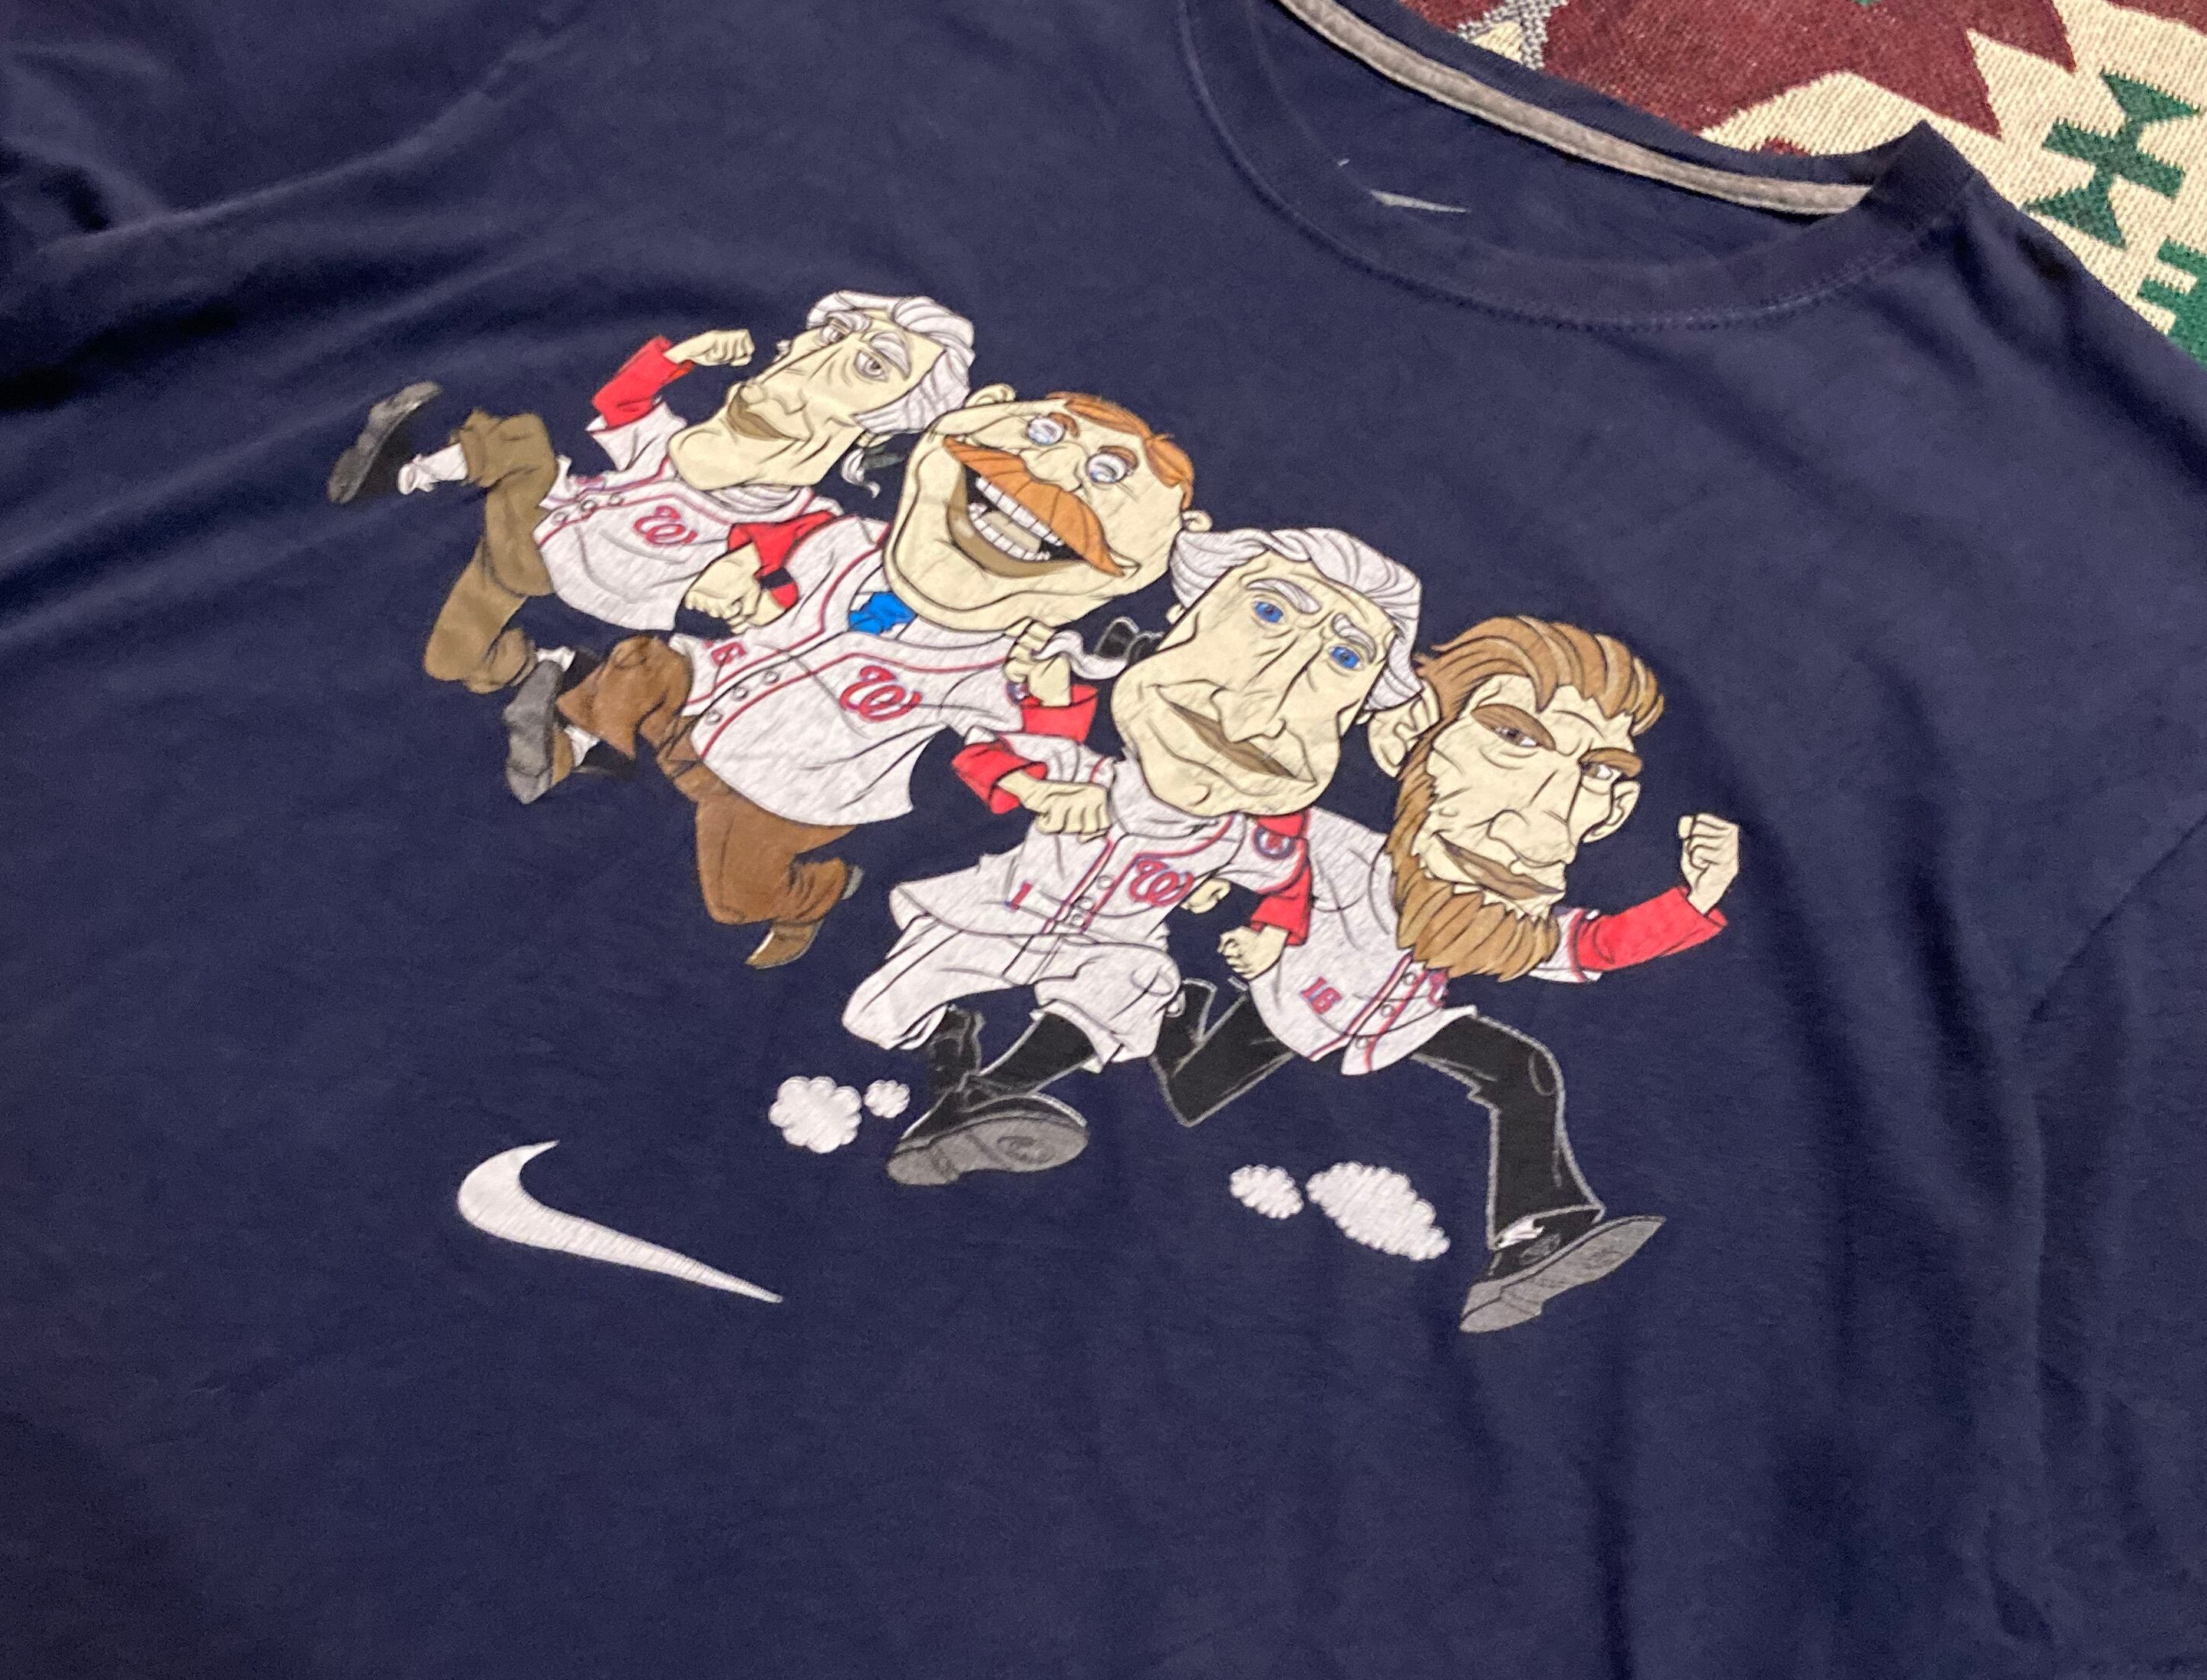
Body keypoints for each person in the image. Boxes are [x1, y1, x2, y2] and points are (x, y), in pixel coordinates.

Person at [1154, 614, 1740, 1328]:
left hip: (1401, 1024)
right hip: (1290, 1004)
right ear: (1409, 737)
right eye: (1514, 738)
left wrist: (1696, 898)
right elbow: (1253, 822)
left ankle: (1533, 1232)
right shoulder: (1343, 853)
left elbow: (1598, 945)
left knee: (1522, 1072)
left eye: (1599, 773)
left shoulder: (1499, 915)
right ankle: (1176, 1020)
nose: (1544, 815)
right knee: (1190, 1095)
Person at [550, 384, 1207, 967]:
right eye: (1043, 434)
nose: (1052, 474)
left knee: (736, 900)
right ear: (980, 411)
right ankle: (575, 741)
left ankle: (820, 892)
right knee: (639, 662)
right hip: (704, 702)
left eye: (1106, 476)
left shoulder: (1010, 662)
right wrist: (736, 567)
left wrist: (1038, 777)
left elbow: (1010, 749)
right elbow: (774, 534)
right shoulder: (848, 538)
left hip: (788, 794)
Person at [848, 525, 1422, 1180]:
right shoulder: (1090, 771)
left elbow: (1288, 878)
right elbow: (985, 754)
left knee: (1142, 981)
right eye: (1267, 611)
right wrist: (1036, 789)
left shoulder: (1233, 835)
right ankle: (953, 1057)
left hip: (1111, 943)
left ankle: (996, 1092)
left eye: (1345, 658)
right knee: (874, 1018)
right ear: (1181, 617)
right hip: (996, 914)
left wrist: (1268, 932)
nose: (1252, 716)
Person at [324, 292, 973, 796]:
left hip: (594, 575)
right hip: (551, 531)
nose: (813, 364)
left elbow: (843, 600)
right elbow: (623, 400)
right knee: (452, 663)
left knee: (523, 446)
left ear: (879, 430)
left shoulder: (801, 518)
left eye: (872, 363)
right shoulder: (676, 443)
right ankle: (549, 669)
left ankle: (403, 475)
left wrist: (748, 591)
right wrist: (683, 356)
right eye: (831, 334)